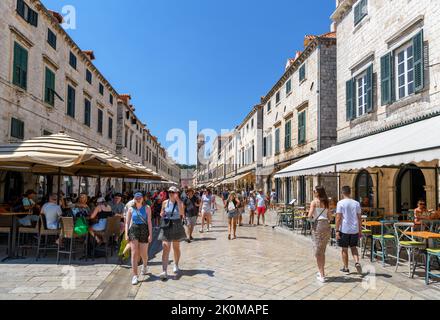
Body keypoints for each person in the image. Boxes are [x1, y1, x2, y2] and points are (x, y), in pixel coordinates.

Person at [159, 187, 186, 280]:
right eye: (169, 192)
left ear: (177, 193)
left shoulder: (180, 202)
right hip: (167, 225)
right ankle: (164, 271)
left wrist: (178, 200)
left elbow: (182, 213)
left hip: (176, 224)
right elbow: (161, 212)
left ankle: (176, 264)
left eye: (173, 192)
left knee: (176, 247)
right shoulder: (165, 202)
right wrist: (162, 214)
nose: (171, 193)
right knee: (165, 247)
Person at [125, 192, 153, 285]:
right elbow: (127, 222)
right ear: (134, 198)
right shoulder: (130, 209)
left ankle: (145, 265)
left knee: (143, 253)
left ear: (142, 198)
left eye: (139, 197)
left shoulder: (147, 208)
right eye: (136, 198)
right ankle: (134, 275)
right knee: (134, 253)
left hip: (144, 229)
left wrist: (150, 234)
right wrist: (126, 233)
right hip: (134, 229)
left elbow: (149, 222)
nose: (138, 199)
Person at [335, 186, 363, 275]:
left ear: (342, 193)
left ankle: (346, 268)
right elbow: (359, 218)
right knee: (354, 247)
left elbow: (338, 217)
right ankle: (357, 262)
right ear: (350, 192)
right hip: (354, 229)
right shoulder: (356, 203)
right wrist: (360, 230)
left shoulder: (340, 203)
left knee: (344, 249)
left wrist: (336, 230)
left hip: (344, 229)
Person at [308, 186, 332, 283]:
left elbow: (309, 216)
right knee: (322, 250)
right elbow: (330, 217)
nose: (313, 192)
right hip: (326, 225)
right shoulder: (326, 202)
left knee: (318, 251)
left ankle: (322, 275)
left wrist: (311, 218)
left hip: (318, 225)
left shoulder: (314, 202)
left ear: (318, 192)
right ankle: (321, 271)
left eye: (314, 191)